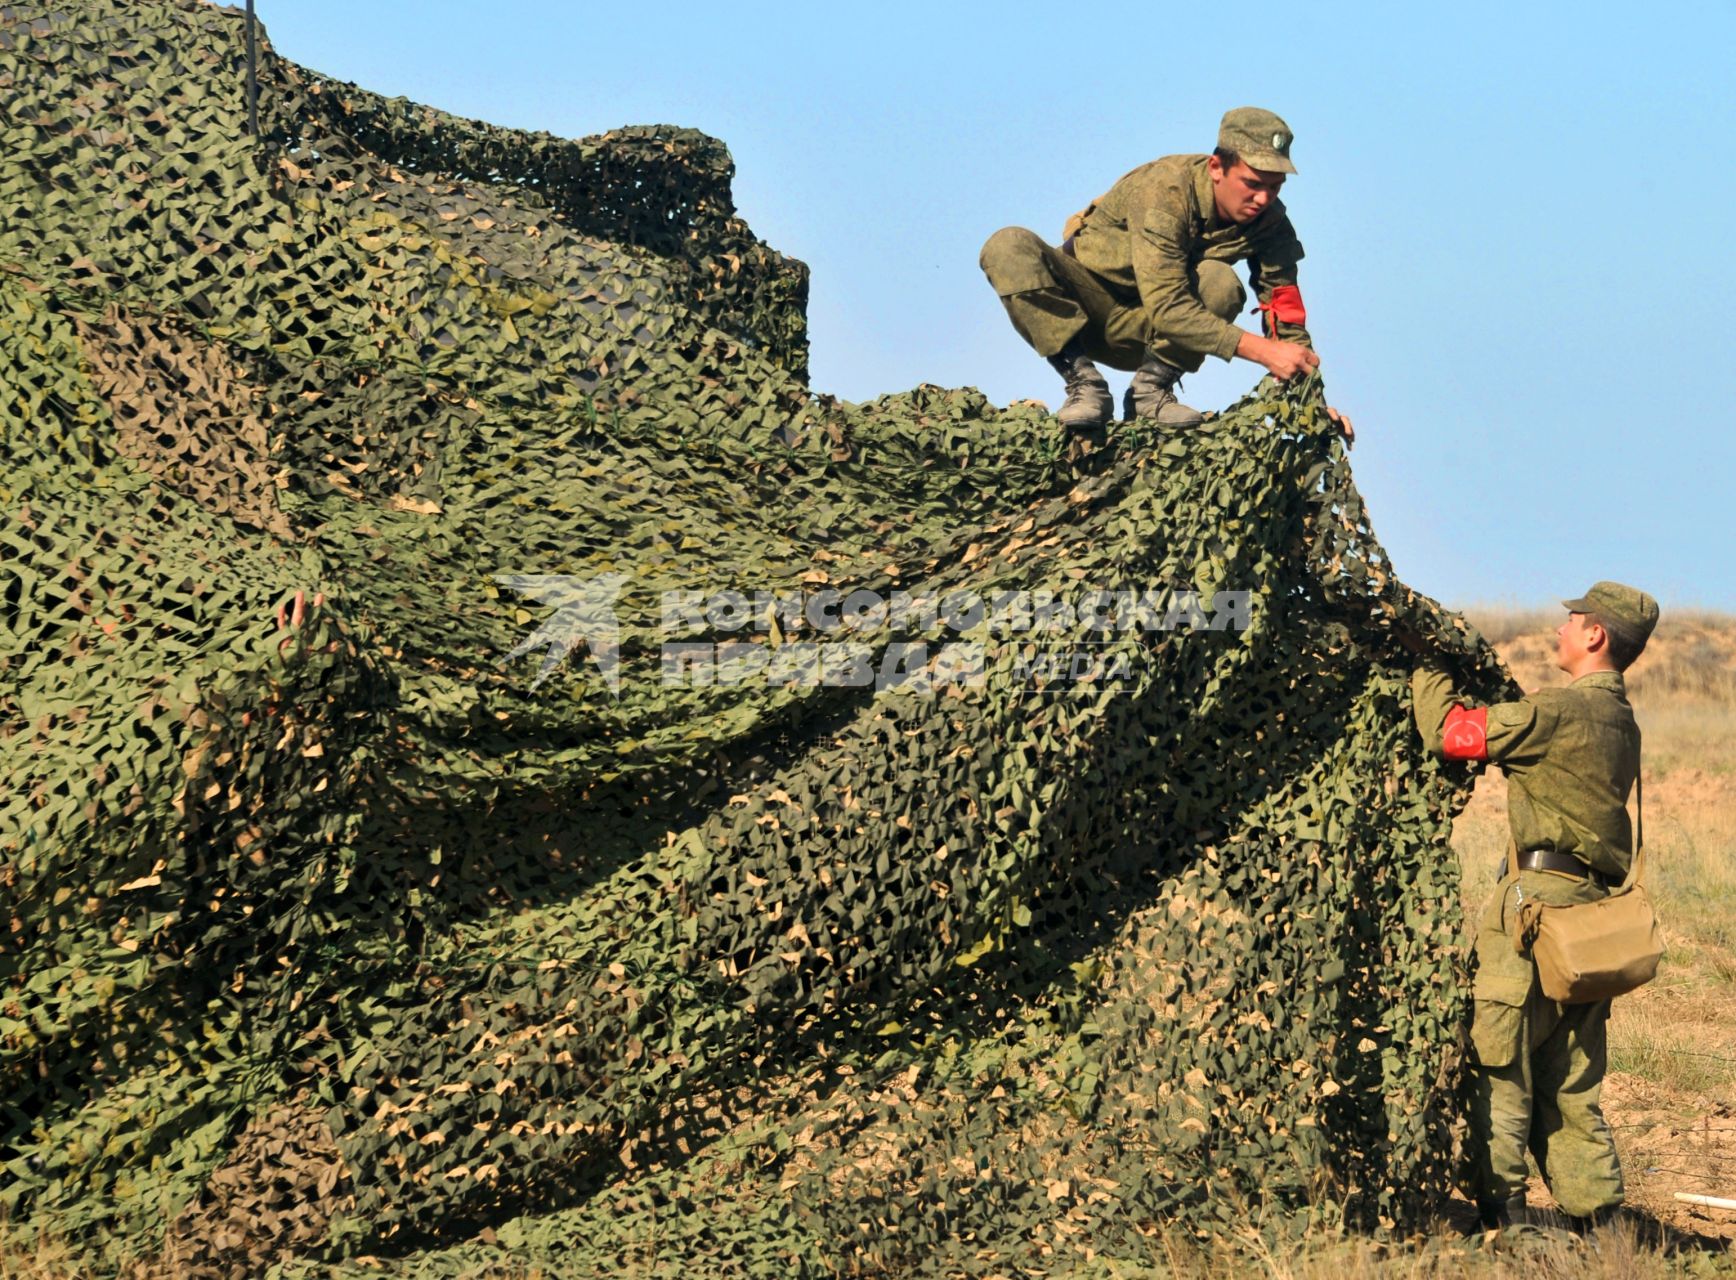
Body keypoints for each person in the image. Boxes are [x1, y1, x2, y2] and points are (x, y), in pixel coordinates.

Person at [1410, 582, 1659, 1231]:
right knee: (1572, 1083)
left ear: (1595, 635)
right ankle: (1603, 1230)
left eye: (1572, 620)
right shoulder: (1619, 720)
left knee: (1499, 1065)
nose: (1561, 629)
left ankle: (1506, 1224)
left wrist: (1427, 664)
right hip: (1591, 924)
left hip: (1534, 915)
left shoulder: (1562, 713)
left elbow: (1454, 734)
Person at [979, 107, 1351, 439]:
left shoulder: (1271, 224)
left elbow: (1285, 313)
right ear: (1216, 168)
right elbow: (1168, 306)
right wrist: (1261, 351)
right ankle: (1084, 385)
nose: (1263, 199)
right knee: (1008, 245)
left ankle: (1150, 393)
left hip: (1149, 337)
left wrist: (1310, 404)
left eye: (1275, 187)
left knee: (1220, 283)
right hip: (1082, 313)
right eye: (1253, 184)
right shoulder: (1167, 190)